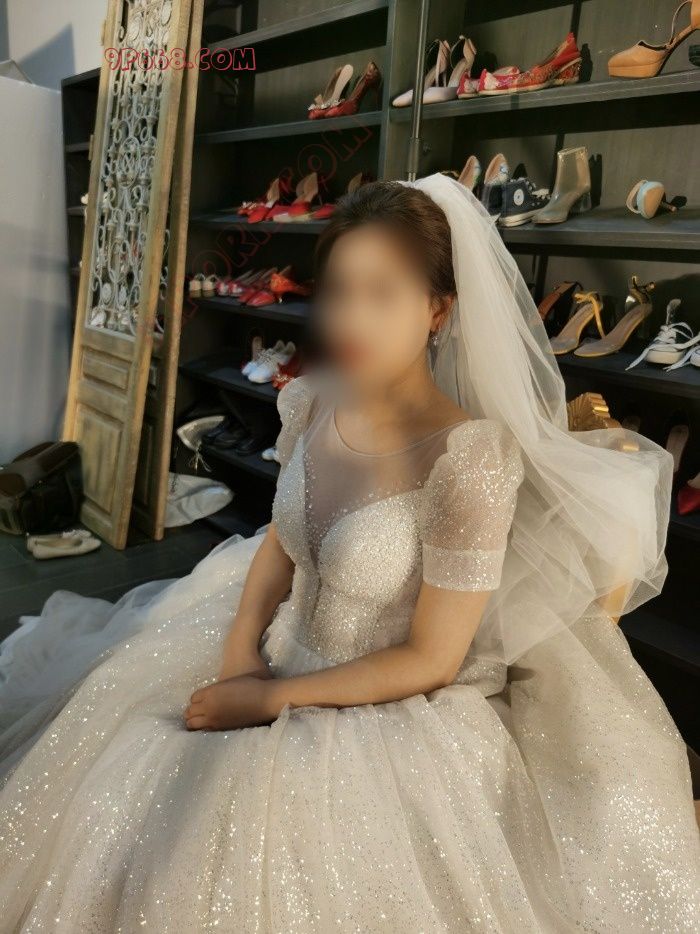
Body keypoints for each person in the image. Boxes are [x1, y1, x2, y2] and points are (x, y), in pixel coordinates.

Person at [0, 175, 698, 932]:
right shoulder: (313, 400)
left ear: (438, 308)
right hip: (276, 646)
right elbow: (279, 543)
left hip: (384, 708)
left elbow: (433, 658)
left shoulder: (468, 458)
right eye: (339, 291)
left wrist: (269, 700)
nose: (351, 318)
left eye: (383, 294)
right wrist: (240, 649)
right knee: (114, 808)